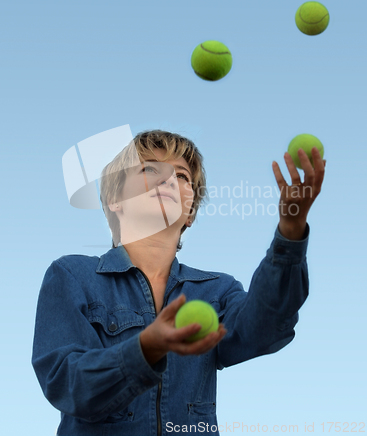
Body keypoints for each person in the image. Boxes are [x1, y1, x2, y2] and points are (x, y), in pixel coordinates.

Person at [32, 129, 326, 436]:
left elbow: (268, 326)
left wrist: (291, 230)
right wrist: (146, 349)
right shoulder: (72, 275)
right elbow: (66, 383)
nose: (169, 178)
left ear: (190, 213)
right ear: (115, 200)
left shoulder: (217, 290)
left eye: (183, 176)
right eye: (149, 169)